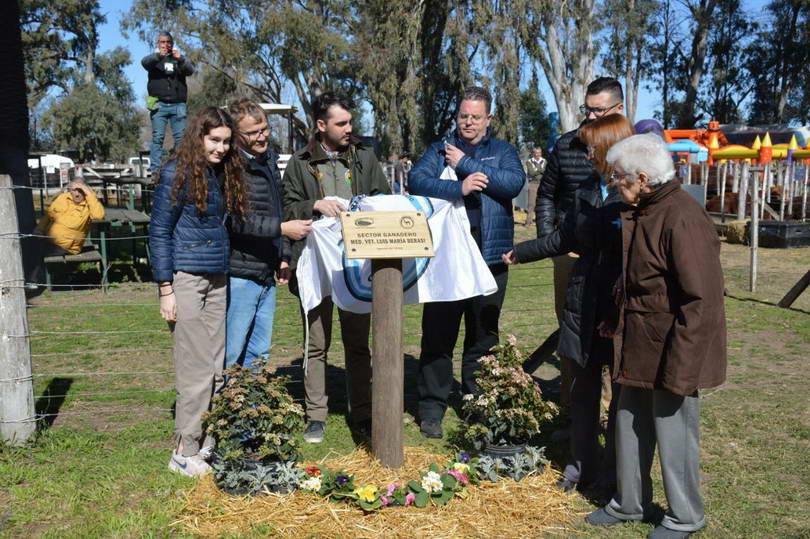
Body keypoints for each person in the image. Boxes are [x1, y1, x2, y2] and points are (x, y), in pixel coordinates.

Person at [585, 134, 727, 538]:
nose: (614, 184)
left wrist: (683, 367)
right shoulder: (646, 207)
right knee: (629, 423)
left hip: (673, 347)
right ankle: (629, 502)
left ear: (643, 178)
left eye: (619, 178)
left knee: (675, 433)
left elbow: (702, 300)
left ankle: (685, 516)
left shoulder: (681, 216)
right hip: (639, 341)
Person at [503, 114, 635, 495]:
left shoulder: (632, 196)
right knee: (582, 390)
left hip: (615, 308)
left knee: (622, 398)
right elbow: (564, 238)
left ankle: (614, 474)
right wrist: (522, 251)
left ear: (611, 147)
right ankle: (580, 466)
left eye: (593, 146)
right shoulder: (587, 191)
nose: (587, 153)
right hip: (582, 303)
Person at [408, 86, 525, 439]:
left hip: (490, 258)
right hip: (447, 260)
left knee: (482, 337)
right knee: (438, 335)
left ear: (489, 119)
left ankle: (478, 404)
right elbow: (417, 181)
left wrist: (466, 165)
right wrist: (456, 188)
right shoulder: (438, 149)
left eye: (476, 116)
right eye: (463, 115)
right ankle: (431, 409)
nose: (469, 122)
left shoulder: (503, 151)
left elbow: (512, 184)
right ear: (457, 116)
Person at [282, 91, 390, 443]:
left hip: (355, 265)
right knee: (316, 342)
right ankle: (316, 415)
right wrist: (314, 203)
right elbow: (285, 207)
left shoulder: (364, 157)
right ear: (321, 125)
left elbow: (383, 200)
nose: (349, 128)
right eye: (341, 123)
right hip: (314, 264)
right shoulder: (299, 162)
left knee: (358, 344)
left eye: (350, 122)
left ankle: (362, 413)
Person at [149, 107, 247, 477]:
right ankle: (183, 449)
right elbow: (159, 232)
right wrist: (166, 288)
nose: (221, 148)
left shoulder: (222, 174)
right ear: (198, 138)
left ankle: (208, 443)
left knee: (217, 367)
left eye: (226, 141)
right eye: (214, 140)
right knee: (195, 368)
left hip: (217, 278)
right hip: (185, 278)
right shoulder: (176, 172)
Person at [536, 76, 625, 437]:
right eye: (586, 109)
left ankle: (610, 412)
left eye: (599, 110)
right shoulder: (566, 144)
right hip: (571, 250)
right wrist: (549, 238)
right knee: (572, 334)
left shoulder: (632, 149)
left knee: (610, 331)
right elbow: (545, 194)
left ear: (618, 110)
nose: (590, 117)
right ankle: (573, 413)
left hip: (613, 258)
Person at [224, 98, 312, 370]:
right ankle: (224, 409)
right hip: (239, 272)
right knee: (232, 351)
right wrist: (283, 229)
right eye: (254, 132)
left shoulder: (269, 159)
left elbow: (279, 207)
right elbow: (234, 221)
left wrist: (283, 254)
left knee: (258, 352)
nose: (262, 136)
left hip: (266, 271)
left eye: (265, 129)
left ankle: (251, 411)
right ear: (237, 134)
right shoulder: (228, 167)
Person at [141, 31, 194, 175]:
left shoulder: (178, 59)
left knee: (181, 139)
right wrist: (159, 56)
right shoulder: (153, 60)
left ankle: (181, 168)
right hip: (159, 105)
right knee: (157, 138)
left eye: (168, 42)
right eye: (162, 42)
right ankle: (155, 170)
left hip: (178, 105)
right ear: (158, 44)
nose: (165, 45)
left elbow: (190, 70)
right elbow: (144, 63)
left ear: (172, 44)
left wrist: (181, 59)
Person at [35, 180, 104, 256]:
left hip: (65, 247)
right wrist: (39, 229)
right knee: (25, 245)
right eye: (74, 190)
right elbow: (48, 215)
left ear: (85, 191)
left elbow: (99, 216)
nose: (77, 194)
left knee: (32, 253)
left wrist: (89, 194)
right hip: (46, 240)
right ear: (70, 190)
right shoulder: (63, 198)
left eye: (80, 190)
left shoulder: (90, 204)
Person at [524, 146, 546, 226]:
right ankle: (528, 221)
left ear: (541, 153)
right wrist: (540, 170)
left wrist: (537, 170)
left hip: (542, 184)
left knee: (541, 203)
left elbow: (545, 171)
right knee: (531, 204)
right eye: (536, 153)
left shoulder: (544, 161)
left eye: (539, 153)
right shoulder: (529, 161)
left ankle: (540, 221)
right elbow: (531, 173)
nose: (537, 154)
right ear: (533, 153)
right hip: (533, 184)